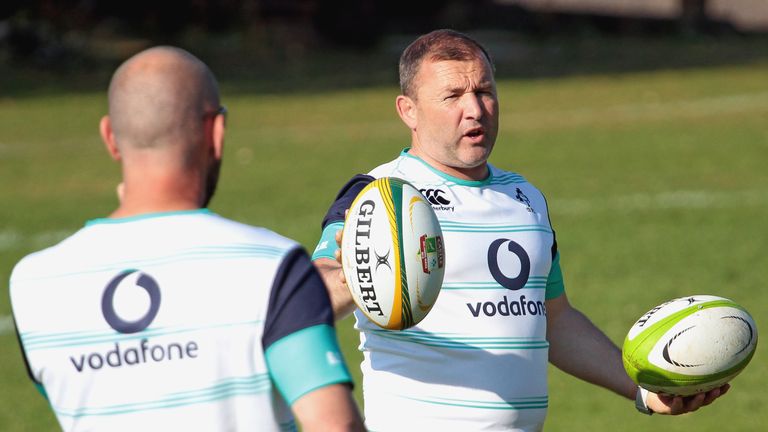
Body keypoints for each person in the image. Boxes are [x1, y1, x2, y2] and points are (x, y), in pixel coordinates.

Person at [311, 29, 728, 431]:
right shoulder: (381, 195)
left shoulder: (523, 196)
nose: (474, 109)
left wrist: (641, 390)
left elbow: (554, 318)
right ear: (409, 111)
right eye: (453, 96)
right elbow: (307, 297)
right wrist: (356, 277)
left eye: (484, 91)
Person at [9, 46, 365, 432]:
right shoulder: (274, 266)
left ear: (110, 137)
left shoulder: (34, 284)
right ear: (216, 132)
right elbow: (335, 425)